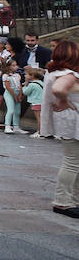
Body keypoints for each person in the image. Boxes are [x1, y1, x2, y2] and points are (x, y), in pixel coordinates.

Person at [42, 39, 79, 218]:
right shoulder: (69, 74)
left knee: (74, 162)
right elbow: (58, 89)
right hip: (73, 121)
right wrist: (64, 100)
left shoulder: (54, 72)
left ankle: (71, 199)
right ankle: (63, 202)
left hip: (66, 121)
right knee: (72, 162)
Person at [0, 58, 24, 134]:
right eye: (13, 65)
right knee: (11, 110)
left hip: (17, 92)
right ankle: (7, 126)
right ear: (8, 67)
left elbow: (19, 85)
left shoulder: (17, 75)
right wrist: (14, 95)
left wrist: (20, 94)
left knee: (17, 111)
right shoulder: (5, 76)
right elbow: (8, 87)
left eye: (16, 65)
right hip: (9, 93)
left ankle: (16, 126)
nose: (16, 67)